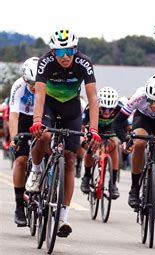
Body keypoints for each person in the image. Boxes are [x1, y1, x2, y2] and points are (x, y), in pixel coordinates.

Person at [26, 28, 101, 238]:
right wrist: (37, 121)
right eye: (59, 52)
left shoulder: (84, 63)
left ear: (75, 49)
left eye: (69, 50)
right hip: (49, 106)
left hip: (71, 109)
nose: (65, 56)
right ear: (52, 52)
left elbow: (93, 98)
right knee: (45, 136)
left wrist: (93, 129)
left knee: (69, 158)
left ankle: (62, 217)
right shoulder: (45, 62)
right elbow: (39, 95)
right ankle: (37, 170)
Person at [112, 74, 155, 224]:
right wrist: (126, 139)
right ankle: (134, 188)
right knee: (139, 143)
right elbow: (118, 121)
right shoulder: (140, 96)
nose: (154, 105)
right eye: (151, 101)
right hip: (143, 119)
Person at [9, 57, 38, 226]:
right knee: (20, 160)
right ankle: (19, 206)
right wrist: (15, 138)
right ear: (25, 79)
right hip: (23, 118)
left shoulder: (46, 84)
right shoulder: (18, 86)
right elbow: (13, 115)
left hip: (40, 117)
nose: (34, 86)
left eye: (37, 82)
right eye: (31, 83)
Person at [80, 87, 121, 199]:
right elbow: (82, 127)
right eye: (103, 109)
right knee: (91, 147)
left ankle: (112, 184)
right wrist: (83, 140)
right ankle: (87, 176)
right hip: (94, 127)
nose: (107, 112)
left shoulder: (120, 109)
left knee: (114, 145)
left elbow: (126, 126)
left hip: (110, 129)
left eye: (110, 109)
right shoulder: (90, 108)